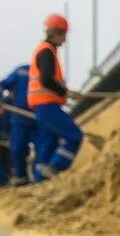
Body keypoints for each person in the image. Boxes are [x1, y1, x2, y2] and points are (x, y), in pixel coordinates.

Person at [28, 13, 83, 181]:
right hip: (47, 106)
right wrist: (65, 92)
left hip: (42, 107)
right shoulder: (47, 51)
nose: (65, 40)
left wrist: (65, 91)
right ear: (56, 33)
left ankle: (40, 183)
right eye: (64, 35)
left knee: (47, 145)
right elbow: (46, 80)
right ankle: (56, 167)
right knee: (74, 136)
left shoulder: (44, 50)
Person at [0, 62, 34, 186]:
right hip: (20, 118)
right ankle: (21, 177)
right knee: (17, 148)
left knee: (44, 146)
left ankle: (41, 177)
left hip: (40, 117)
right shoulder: (22, 71)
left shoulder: (47, 73)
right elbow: (1, 85)